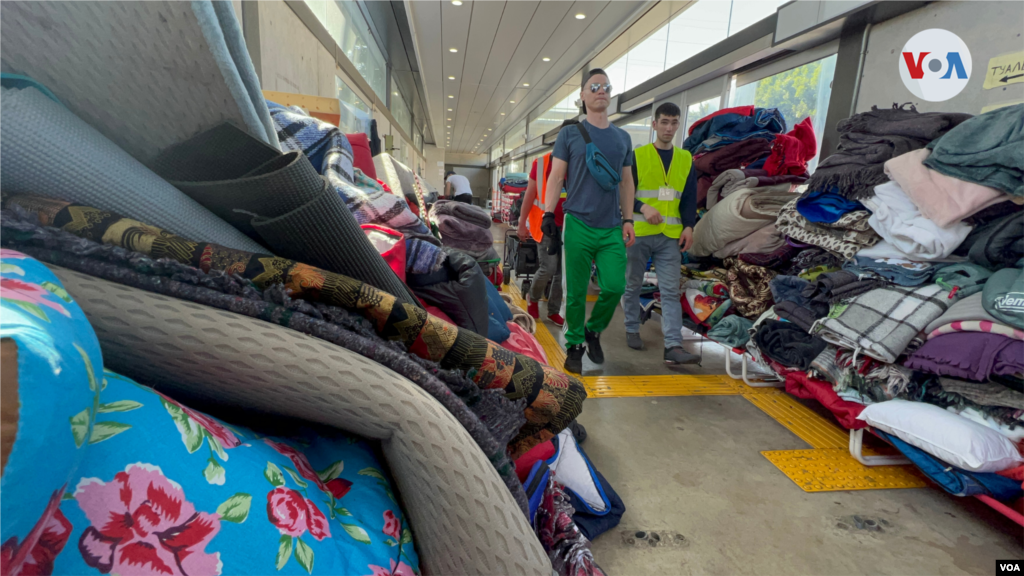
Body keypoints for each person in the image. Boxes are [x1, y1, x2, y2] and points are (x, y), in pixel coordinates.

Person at [543, 69, 636, 374]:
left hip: (611, 226)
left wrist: (628, 219)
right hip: (578, 222)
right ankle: (575, 344)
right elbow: (557, 176)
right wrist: (547, 212)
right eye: (594, 87)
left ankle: (593, 329)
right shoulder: (570, 134)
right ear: (582, 97)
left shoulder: (623, 138)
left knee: (614, 286)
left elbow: (626, 182)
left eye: (606, 86)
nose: (601, 90)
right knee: (575, 290)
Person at [622, 102, 700, 365]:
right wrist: (641, 207)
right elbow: (623, 193)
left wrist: (689, 226)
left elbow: (689, 197)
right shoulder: (637, 155)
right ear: (654, 124)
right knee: (632, 283)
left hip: (671, 235)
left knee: (669, 290)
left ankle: (673, 346)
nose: (669, 127)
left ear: (678, 125)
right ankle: (632, 327)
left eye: (674, 122)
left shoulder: (686, 158)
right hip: (640, 231)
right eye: (664, 122)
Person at [517, 151, 566, 327]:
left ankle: (553, 311)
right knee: (549, 267)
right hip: (545, 225)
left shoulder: (577, 161)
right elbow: (530, 194)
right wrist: (522, 223)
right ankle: (533, 297)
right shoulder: (541, 163)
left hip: (569, 226)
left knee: (563, 273)